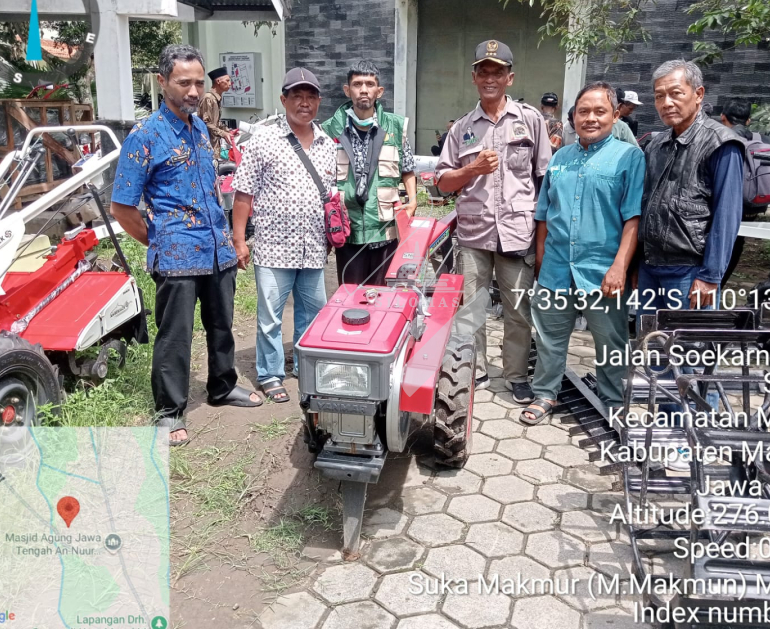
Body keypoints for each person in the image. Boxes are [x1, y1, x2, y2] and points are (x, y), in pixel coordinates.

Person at [110, 44, 262, 447]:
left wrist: (231, 240)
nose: (193, 91)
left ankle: (222, 385)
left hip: (216, 249)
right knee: (175, 336)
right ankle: (169, 411)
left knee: (221, 324)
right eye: (184, 83)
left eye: (198, 82)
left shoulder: (198, 127)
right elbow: (122, 207)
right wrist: (159, 238)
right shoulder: (145, 136)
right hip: (177, 256)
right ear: (163, 82)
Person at [520, 82, 644, 424]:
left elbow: (633, 217)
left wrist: (620, 266)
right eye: (583, 111)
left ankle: (613, 399)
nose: (590, 118)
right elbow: (544, 213)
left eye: (599, 111)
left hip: (603, 271)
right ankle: (545, 393)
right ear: (573, 116)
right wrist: (541, 259)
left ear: (615, 115)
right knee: (549, 337)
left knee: (611, 341)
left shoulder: (629, 157)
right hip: (557, 267)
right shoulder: (560, 158)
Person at [436, 39, 551, 404]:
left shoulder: (530, 120)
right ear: (474, 78)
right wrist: (471, 169)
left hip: (518, 232)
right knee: (472, 308)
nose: (490, 79)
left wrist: (543, 236)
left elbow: (545, 179)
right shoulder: (461, 128)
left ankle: (516, 375)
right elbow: (442, 182)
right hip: (474, 233)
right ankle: (476, 369)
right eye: (483, 72)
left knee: (518, 309)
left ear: (509, 78)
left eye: (497, 73)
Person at [636, 60, 744, 447]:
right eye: (659, 96)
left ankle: (695, 438)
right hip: (651, 268)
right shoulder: (656, 143)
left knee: (690, 358)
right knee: (655, 353)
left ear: (698, 95)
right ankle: (669, 429)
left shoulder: (721, 143)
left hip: (690, 271)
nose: (666, 102)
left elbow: (727, 215)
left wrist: (711, 275)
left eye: (675, 93)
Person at [231, 68, 334, 404]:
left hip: (313, 248)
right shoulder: (264, 140)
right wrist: (239, 240)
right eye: (297, 96)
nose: (304, 103)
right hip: (274, 248)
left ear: (318, 101)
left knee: (313, 313)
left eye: (310, 97)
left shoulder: (326, 144)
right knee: (270, 318)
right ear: (283, 100)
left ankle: (306, 365)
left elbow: (329, 194)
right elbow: (243, 193)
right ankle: (270, 374)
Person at [322, 60, 417, 286]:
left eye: (369, 84)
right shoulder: (329, 130)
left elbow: (407, 169)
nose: (363, 90)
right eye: (357, 84)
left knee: (382, 297)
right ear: (347, 90)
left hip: (385, 230)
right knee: (350, 296)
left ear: (379, 91)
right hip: (348, 231)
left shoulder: (395, 127)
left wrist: (413, 201)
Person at [719, 98, 770, 286]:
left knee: (718, 242)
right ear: (748, 121)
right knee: (737, 243)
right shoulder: (766, 141)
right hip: (753, 206)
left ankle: (711, 285)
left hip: (726, 207)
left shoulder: (719, 139)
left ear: (722, 117)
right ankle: (720, 284)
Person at [198, 66, 233, 156]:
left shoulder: (216, 98)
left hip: (214, 145)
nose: (230, 84)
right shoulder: (209, 98)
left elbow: (215, 122)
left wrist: (227, 130)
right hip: (207, 146)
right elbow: (206, 123)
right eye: (227, 80)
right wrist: (223, 133)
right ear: (218, 81)